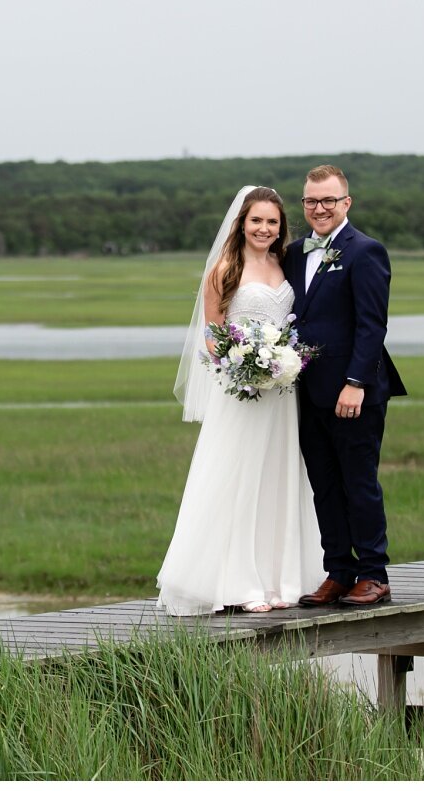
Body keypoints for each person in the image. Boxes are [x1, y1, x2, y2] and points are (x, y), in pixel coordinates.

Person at [157, 186, 325, 615]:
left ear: (280, 226)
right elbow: (212, 335)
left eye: (272, 222)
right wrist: (246, 362)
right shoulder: (225, 268)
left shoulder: (285, 263)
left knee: (278, 477)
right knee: (239, 476)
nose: (264, 229)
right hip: (244, 392)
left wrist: (280, 362)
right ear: (242, 223)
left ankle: (278, 581)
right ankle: (237, 583)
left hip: (283, 394)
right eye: (257, 221)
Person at [281, 164, 406, 608]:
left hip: (356, 391)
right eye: (311, 201)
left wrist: (355, 383)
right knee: (324, 483)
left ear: (345, 203)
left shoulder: (366, 251)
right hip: (307, 390)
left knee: (359, 481)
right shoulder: (294, 254)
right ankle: (338, 569)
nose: (319, 209)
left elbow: (372, 326)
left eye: (328, 201)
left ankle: (373, 572)